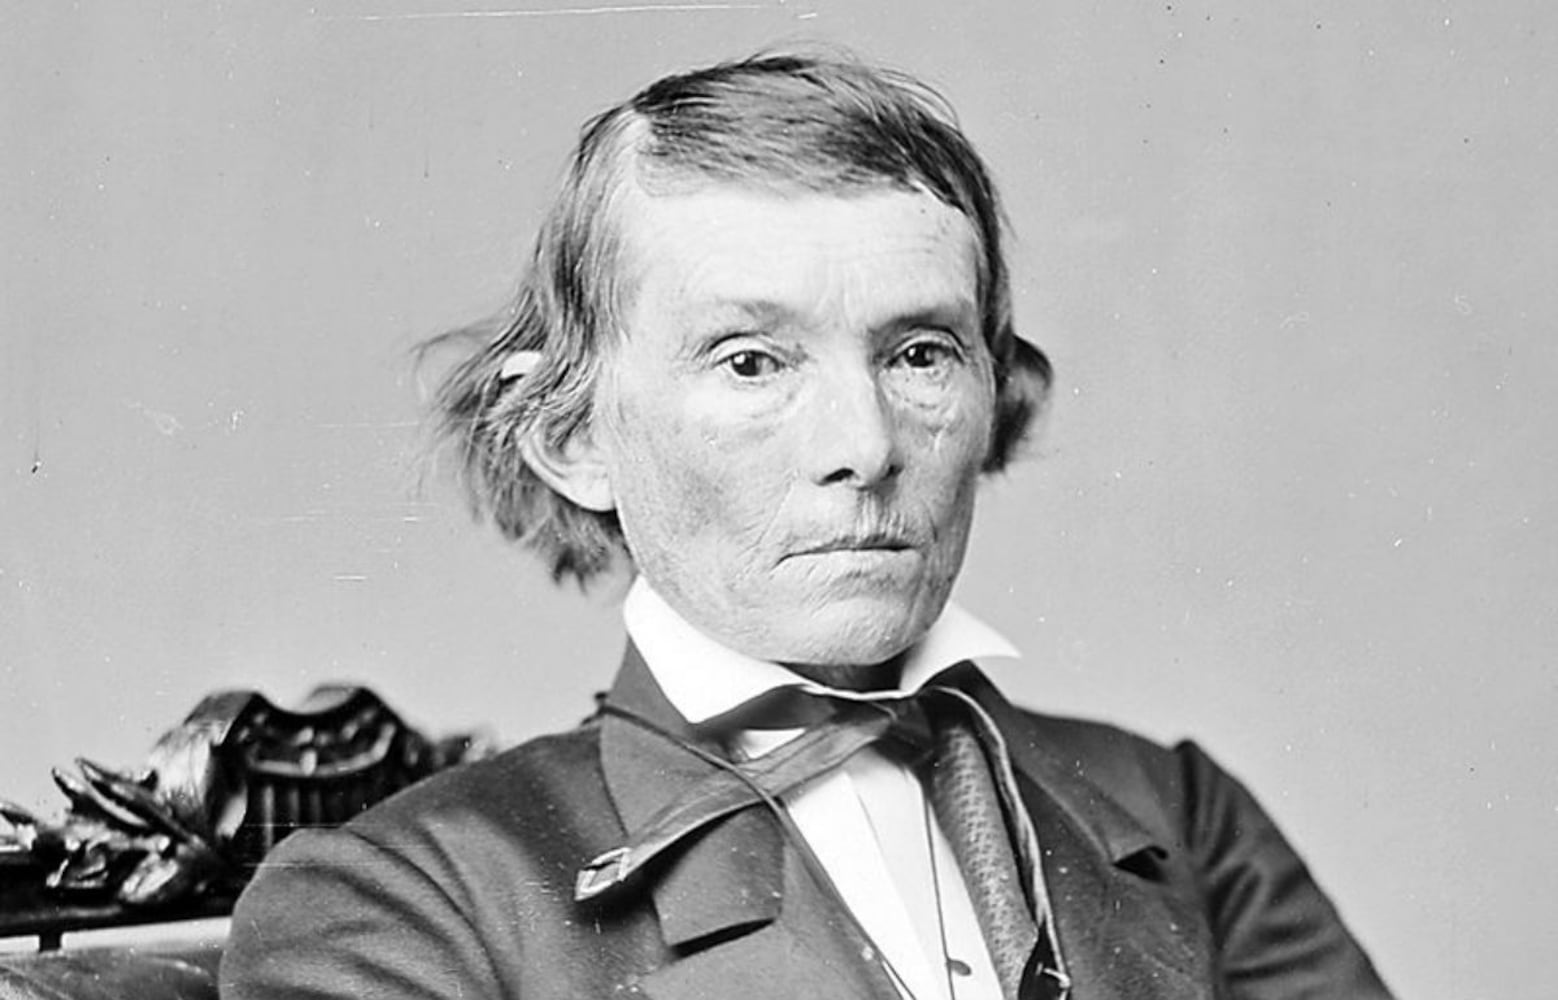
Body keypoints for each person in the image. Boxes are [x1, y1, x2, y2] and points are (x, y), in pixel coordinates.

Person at [221, 52, 1394, 1000]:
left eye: (918, 354)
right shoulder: (408, 902)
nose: (864, 445)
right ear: (574, 438)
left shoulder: (1175, 812)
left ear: (995, 397)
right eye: (751, 361)